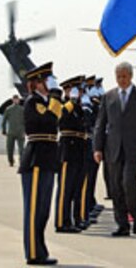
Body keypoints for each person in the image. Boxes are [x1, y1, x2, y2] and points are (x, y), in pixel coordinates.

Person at [93, 62, 136, 236]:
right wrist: (97, 148)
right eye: (118, 76)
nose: (121, 80)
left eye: (124, 76)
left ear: (130, 76)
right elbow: (100, 123)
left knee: (128, 182)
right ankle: (122, 224)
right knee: (115, 187)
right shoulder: (109, 96)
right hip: (113, 148)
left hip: (134, 148)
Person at [19, 62, 62, 266]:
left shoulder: (45, 101)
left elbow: (58, 117)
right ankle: (33, 253)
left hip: (47, 159)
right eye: (45, 80)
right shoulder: (32, 102)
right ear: (36, 84)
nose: (48, 84)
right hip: (36, 159)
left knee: (43, 210)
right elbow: (49, 120)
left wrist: (54, 96)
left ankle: (40, 250)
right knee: (34, 209)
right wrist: (54, 94)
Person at [54, 75, 85, 233]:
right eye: (75, 90)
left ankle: (72, 219)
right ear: (66, 91)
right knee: (65, 189)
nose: (78, 93)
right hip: (67, 150)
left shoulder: (77, 107)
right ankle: (61, 221)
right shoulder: (62, 106)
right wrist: (71, 102)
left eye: (79, 90)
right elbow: (61, 120)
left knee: (74, 189)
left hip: (78, 149)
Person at [1, 94, 25, 166]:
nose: (16, 100)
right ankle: (11, 161)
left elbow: (26, 121)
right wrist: (4, 130)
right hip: (12, 132)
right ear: (13, 100)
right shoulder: (9, 109)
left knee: (21, 149)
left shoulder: (21, 109)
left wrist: (25, 130)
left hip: (19, 132)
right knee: (10, 148)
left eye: (16, 99)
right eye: (15, 99)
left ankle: (20, 161)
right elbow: (4, 121)